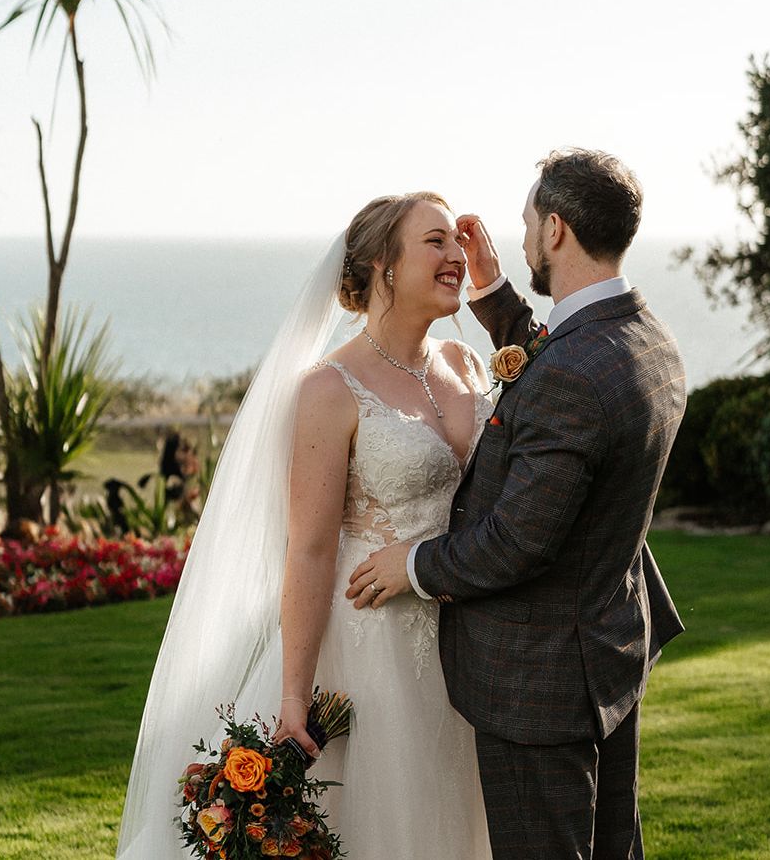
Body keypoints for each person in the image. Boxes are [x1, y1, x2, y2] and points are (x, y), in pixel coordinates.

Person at [117, 192, 493, 859]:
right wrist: (293, 696)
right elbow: (312, 550)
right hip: (371, 649)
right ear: (382, 264)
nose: (456, 256)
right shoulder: (329, 389)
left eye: (456, 243)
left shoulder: (465, 366)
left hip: (468, 642)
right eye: (435, 241)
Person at [347, 149, 687, 858]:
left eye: (529, 222)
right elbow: (560, 366)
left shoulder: (573, 372)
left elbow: (515, 542)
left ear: (555, 230)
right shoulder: (645, 339)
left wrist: (409, 563)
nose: (525, 233)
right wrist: (495, 293)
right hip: (608, 644)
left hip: (542, 680)